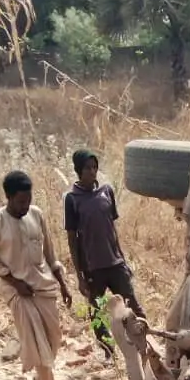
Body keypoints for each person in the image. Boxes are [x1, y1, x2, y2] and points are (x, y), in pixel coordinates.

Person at [0, 170, 72, 380]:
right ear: (9, 198)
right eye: (21, 201)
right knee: (35, 338)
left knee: (53, 338)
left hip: (43, 285)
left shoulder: (36, 214)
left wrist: (63, 283)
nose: (25, 206)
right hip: (17, 290)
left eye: (28, 200)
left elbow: (50, 253)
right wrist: (14, 281)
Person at [64, 148, 146, 356]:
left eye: (94, 167)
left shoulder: (106, 191)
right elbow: (72, 239)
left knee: (133, 306)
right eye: (87, 169)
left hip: (115, 264)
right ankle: (109, 352)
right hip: (93, 268)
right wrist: (80, 275)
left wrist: (123, 259)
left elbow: (112, 229)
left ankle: (145, 344)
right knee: (98, 313)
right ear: (78, 171)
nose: (92, 172)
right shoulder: (72, 199)